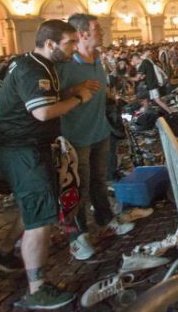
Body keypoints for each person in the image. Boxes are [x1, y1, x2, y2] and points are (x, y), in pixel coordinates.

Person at [0, 20, 99, 309]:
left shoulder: (35, 63)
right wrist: (78, 97)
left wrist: (70, 90)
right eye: (70, 42)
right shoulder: (33, 69)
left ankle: (1, 252)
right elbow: (43, 111)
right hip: (23, 151)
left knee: (33, 207)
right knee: (41, 219)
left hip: (21, 148)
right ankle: (37, 290)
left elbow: (36, 99)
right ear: (50, 44)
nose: (75, 47)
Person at [58, 14, 134, 262]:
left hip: (100, 131)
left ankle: (105, 219)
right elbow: (52, 97)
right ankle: (76, 237)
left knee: (99, 181)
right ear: (82, 34)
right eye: (97, 29)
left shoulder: (98, 59)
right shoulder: (65, 64)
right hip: (75, 136)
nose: (102, 32)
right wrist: (74, 91)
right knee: (77, 188)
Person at [131, 49, 174, 115]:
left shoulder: (143, 65)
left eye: (133, 60)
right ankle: (146, 113)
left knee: (157, 100)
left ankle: (171, 112)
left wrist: (126, 78)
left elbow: (137, 78)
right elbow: (145, 75)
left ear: (135, 58)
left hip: (152, 85)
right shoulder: (146, 61)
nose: (132, 62)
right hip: (151, 85)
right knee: (146, 100)